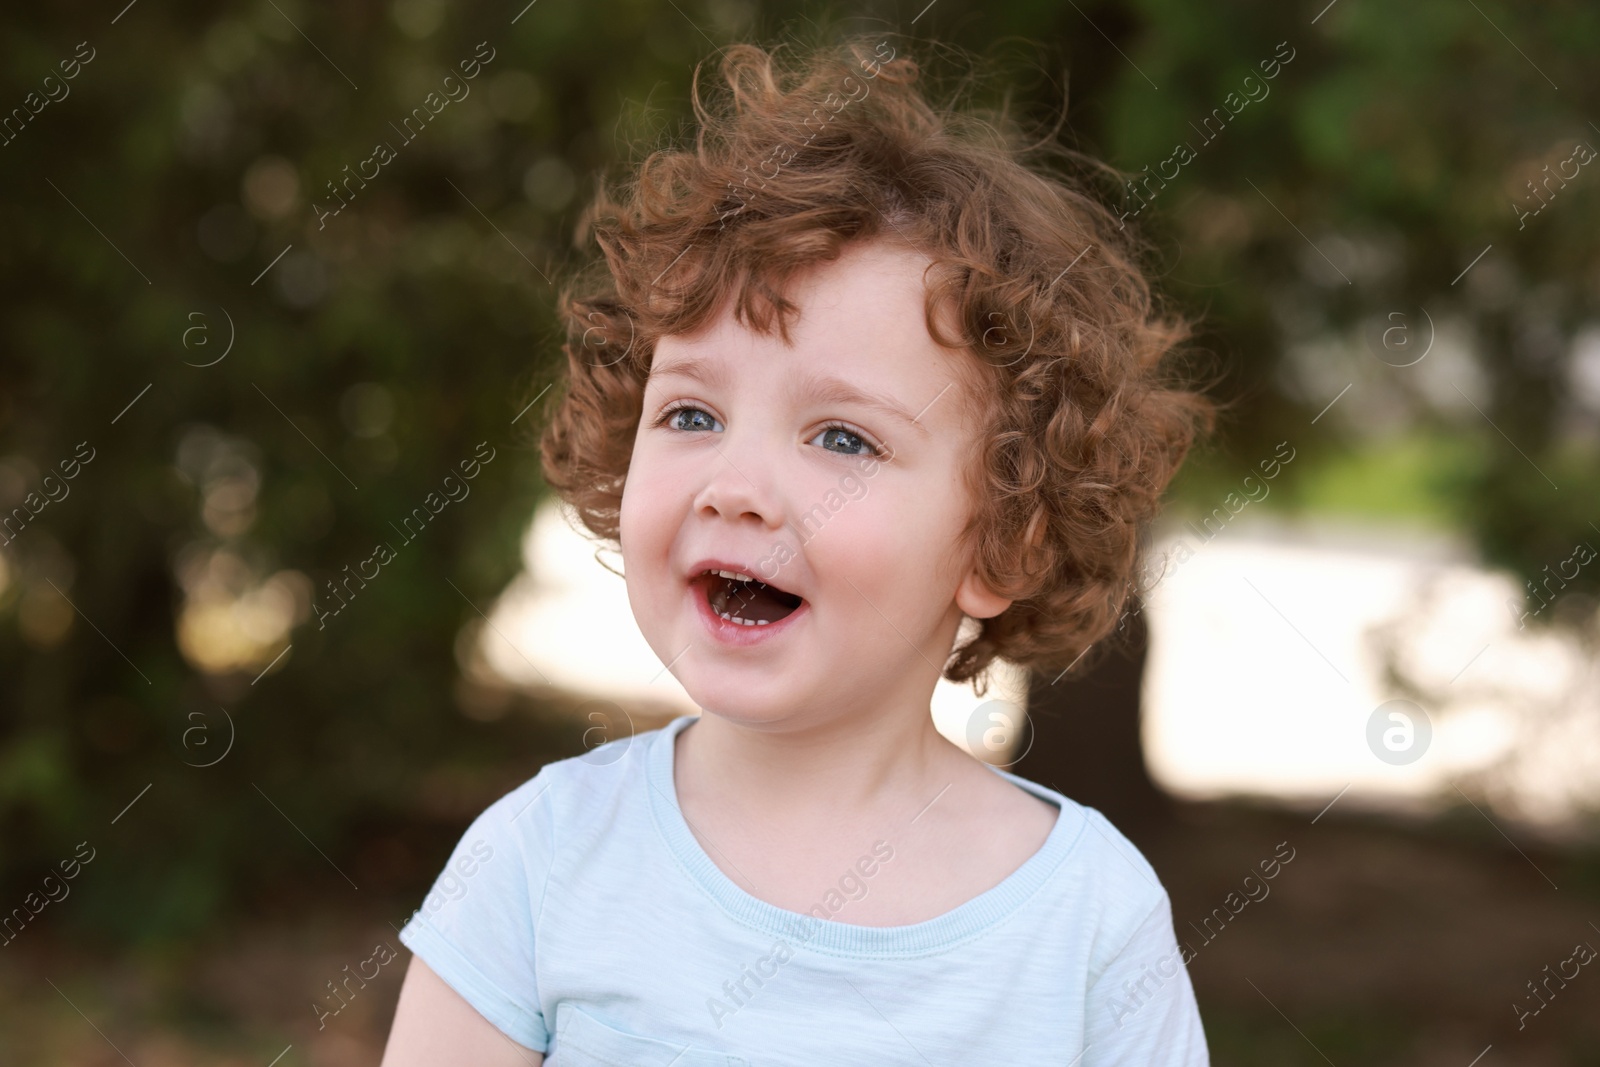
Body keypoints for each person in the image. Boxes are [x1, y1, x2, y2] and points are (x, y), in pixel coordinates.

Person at [382, 31, 1215, 1066]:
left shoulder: (1087, 922)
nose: (735, 487)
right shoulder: (542, 860)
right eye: (691, 414)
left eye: (841, 438)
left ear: (1002, 543)